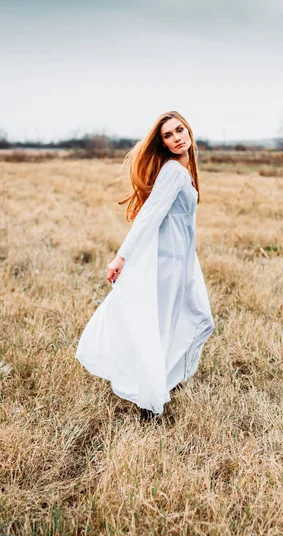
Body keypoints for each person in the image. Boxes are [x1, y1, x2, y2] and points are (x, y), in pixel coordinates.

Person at [75, 111, 214, 416]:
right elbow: (149, 216)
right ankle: (149, 398)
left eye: (179, 130)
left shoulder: (183, 169)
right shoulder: (174, 172)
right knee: (166, 325)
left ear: (188, 131)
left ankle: (160, 383)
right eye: (168, 135)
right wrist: (121, 256)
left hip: (183, 261)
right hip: (168, 263)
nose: (177, 137)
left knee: (193, 320)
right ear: (162, 143)